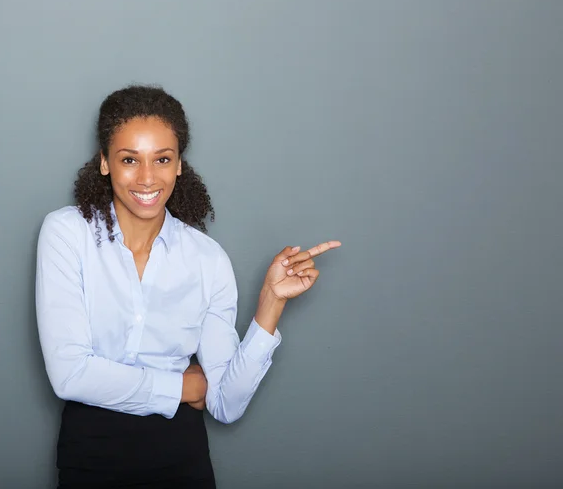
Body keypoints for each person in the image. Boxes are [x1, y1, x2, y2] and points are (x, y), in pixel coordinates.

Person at [35, 85, 341, 489]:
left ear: (179, 164)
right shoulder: (67, 233)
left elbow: (225, 403)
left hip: (182, 461)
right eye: (130, 159)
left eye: (162, 159)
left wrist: (270, 303)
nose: (147, 178)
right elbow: (70, 375)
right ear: (105, 163)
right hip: (90, 455)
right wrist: (183, 386)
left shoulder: (207, 259)